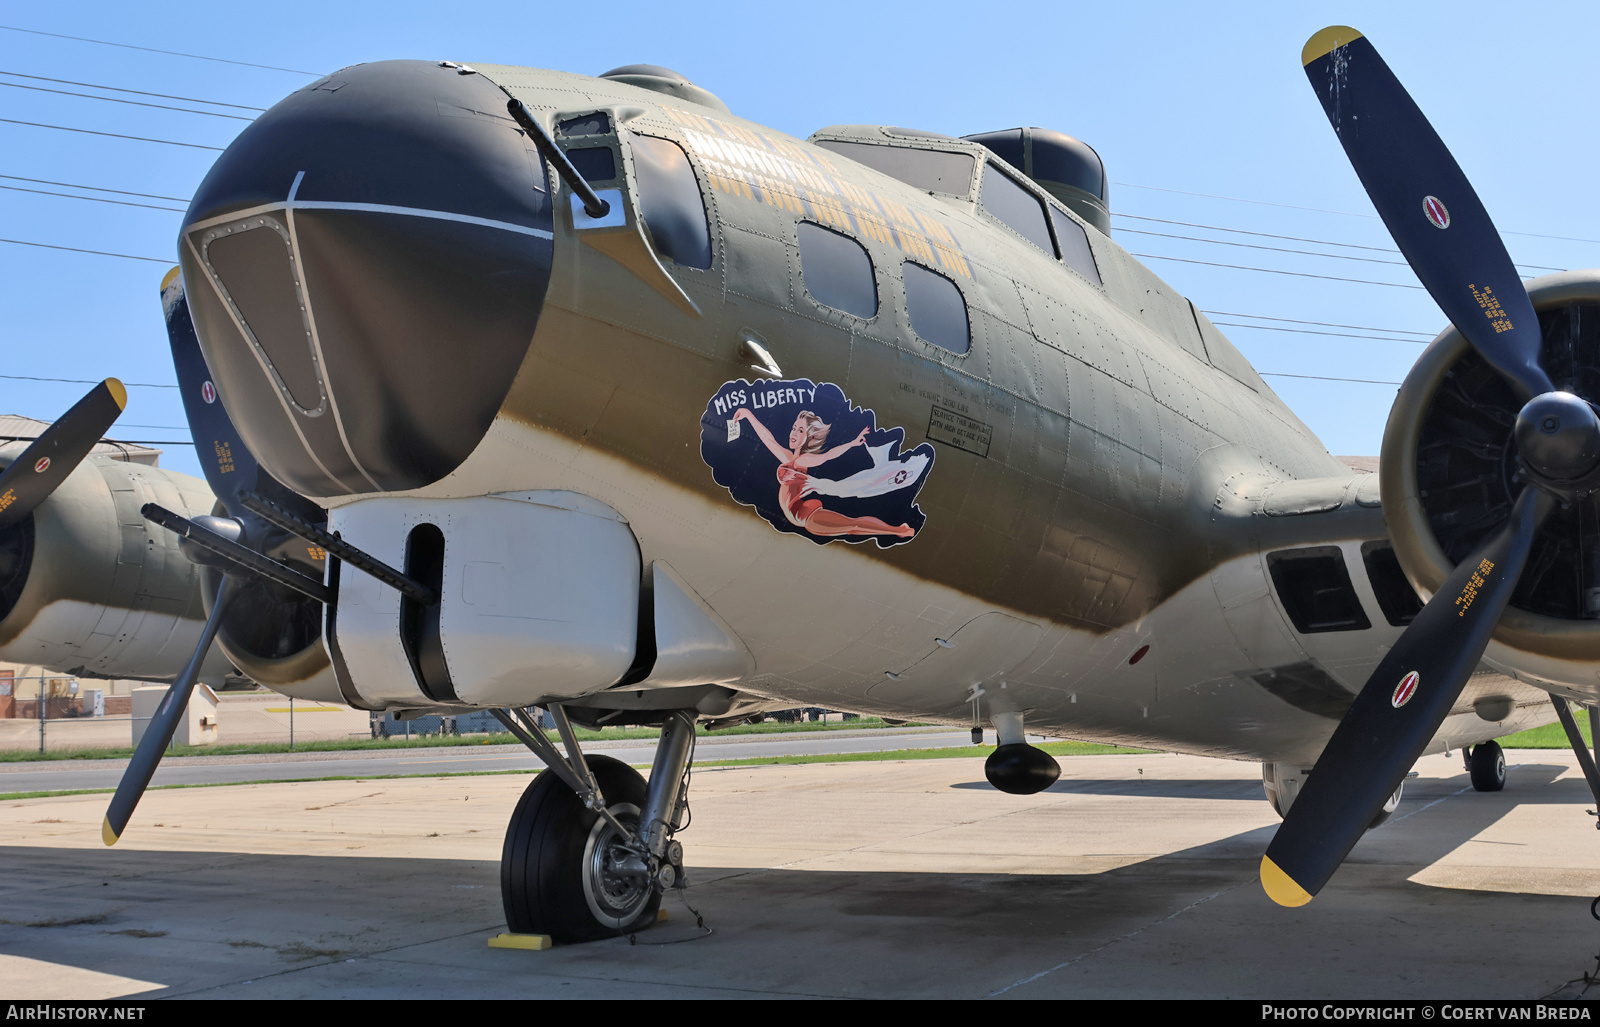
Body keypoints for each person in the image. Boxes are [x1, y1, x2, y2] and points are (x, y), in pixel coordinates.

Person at [731, 407, 916, 538]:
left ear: (808, 437)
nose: (793, 433)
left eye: (800, 430)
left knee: (853, 525)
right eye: (794, 428)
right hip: (799, 518)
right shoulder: (789, 458)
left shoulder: (804, 460)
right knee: (852, 526)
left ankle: (898, 530)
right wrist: (748, 415)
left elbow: (826, 456)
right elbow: (768, 440)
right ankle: (897, 530)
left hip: (809, 518)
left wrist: (851, 444)